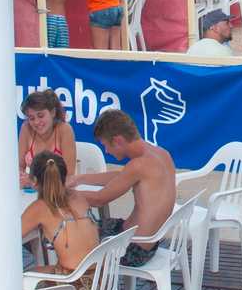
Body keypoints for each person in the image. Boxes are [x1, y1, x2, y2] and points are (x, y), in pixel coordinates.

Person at [74, 108, 177, 265]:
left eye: (106, 145)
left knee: (70, 234)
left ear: (118, 141)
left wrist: (59, 194)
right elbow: (121, 177)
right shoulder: (160, 154)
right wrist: (79, 179)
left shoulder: (138, 165)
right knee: (82, 226)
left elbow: (99, 199)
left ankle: (75, 278)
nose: (107, 151)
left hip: (133, 251)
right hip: (148, 242)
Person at [20, 149, 101, 290]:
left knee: (20, 279)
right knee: (37, 271)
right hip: (100, 281)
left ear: (34, 181)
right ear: (64, 177)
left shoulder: (40, 207)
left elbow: (11, 237)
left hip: (75, 289)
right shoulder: (79, 197)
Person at [17, 87, 78, 179]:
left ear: (52, 113)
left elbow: (69, 175)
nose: (36, 122)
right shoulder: (26, 128)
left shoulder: (65, 130)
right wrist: (21, 176)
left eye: (41, 116)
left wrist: (34, 182)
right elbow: (19, 167)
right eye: (31, 118)